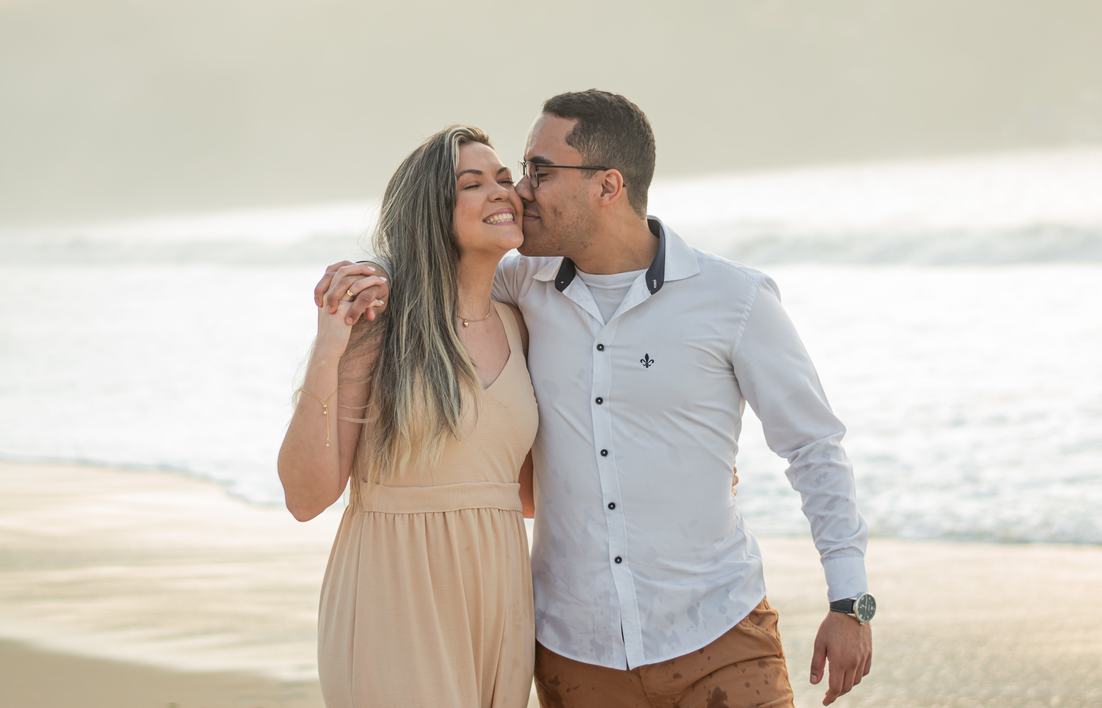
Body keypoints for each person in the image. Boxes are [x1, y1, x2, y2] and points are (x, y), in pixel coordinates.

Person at [322, 90, 874, 708]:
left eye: (540, 171)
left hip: (719, 632)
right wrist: (376, 277)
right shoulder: (519, 289)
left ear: (608, 185)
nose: (520, 191)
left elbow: (813, 446)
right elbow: (436, 266)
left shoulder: (734, 300)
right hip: (574, 653)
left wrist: (849, 600)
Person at [279, 126, 539, 708]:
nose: (502, 191)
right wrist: (329, 348)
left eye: (504, 178)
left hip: (501, 598)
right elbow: (305, 497)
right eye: (473, 183)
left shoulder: (521, 324)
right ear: (431, 210)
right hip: (394, 596)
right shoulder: (381, 321)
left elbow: (527, 496)